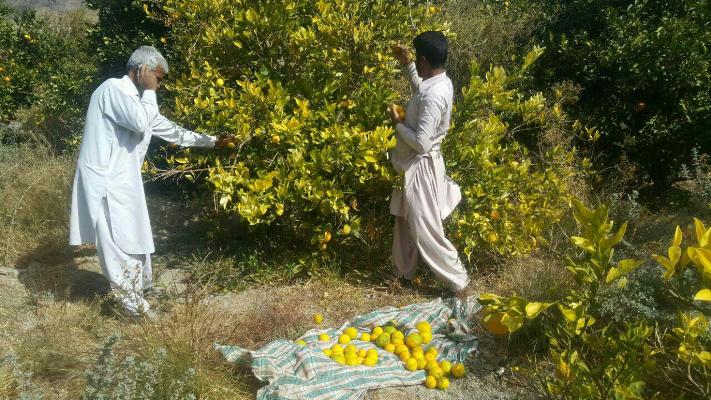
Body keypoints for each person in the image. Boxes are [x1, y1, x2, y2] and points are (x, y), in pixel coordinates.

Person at [69, 46, 226, 317]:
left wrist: (212, 142)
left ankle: (139, 293)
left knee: (135, 237)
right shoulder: (112, 89)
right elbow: (142, 123)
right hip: (106, 182)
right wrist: (150, 91)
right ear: (142, 70)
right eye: (157, 77)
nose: (158, 84)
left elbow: (170, 130)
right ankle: (136, 312)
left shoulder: (136, 100)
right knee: (116, 244)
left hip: (123, 181)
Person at [388, 31, 470, 293]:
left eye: (416, 58)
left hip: (420, 168)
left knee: (426, 230)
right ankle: (404, 276)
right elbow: (420, 91)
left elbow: (422, 143)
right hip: (411, 165)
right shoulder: (437, 83)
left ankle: (460, 283)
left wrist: (398, 125)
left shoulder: (435, 95)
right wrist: (407, 65)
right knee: (404, 220)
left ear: (425, 59)